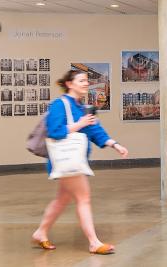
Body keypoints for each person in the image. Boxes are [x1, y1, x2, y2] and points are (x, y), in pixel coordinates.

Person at [32, 70, 129, 254]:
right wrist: (80, 124)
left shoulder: (82, 107)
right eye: (81, 80)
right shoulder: (59, 105)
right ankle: (94, 242)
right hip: (66, 161)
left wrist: (114, 145)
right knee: (83, 198)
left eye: (87, 81)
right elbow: (54, 131)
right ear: (69, 84)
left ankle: (40, 232)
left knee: (62, 200)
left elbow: (95, 131)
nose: (86, 83)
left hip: (74, 161)